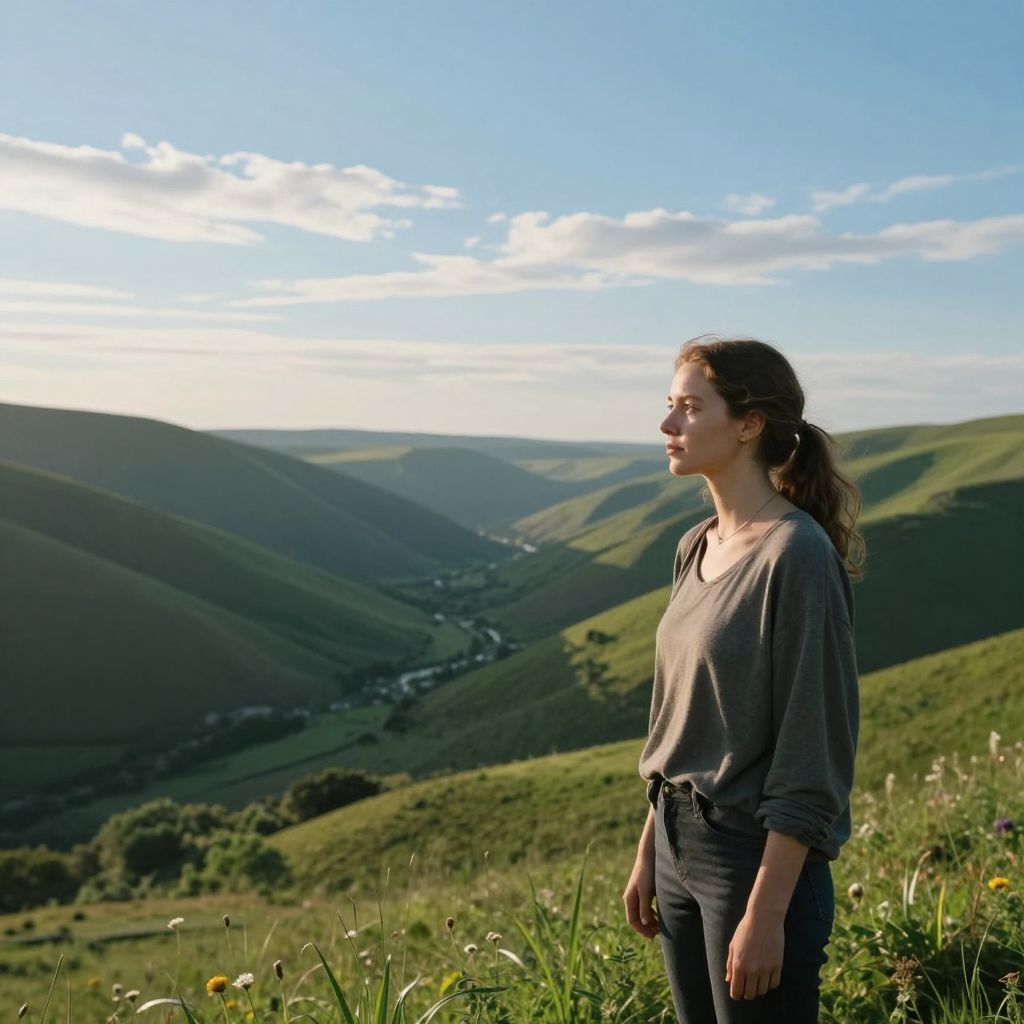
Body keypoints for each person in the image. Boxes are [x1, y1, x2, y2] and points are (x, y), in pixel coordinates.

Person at [622, 334, 864, 1023]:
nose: (668, 426)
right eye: (670, 406)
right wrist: (651, 850)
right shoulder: (695, 544)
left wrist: (766, 914)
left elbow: (813, 748)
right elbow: (678, 717)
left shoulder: (798, 555)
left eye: (691, 409)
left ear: (749, 424)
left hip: (754, 861)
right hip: (677, 844)